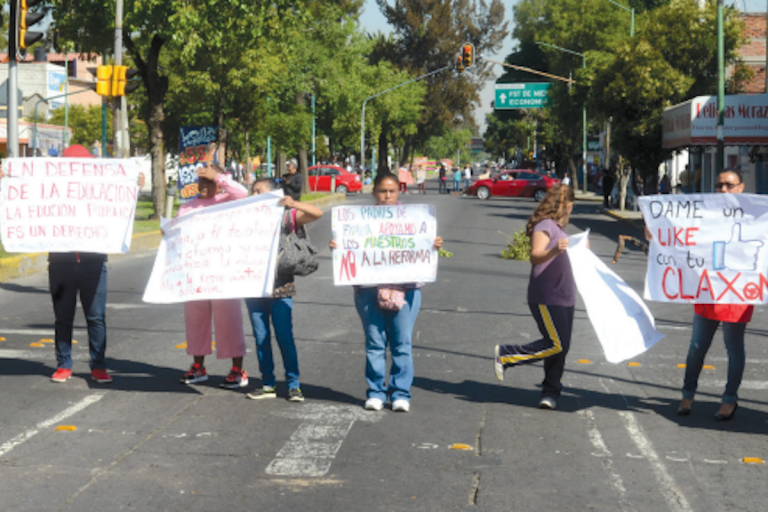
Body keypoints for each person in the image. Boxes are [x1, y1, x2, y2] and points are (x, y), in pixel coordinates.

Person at [10, 167, 146, 384]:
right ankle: (63, 364)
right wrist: (7, 183)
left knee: (96, 317)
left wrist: (133, 186)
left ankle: (98, 365)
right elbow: (25, 202)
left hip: (93, 264)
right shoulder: (53, 194)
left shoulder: (96, 193)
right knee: (63, 317)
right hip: (60, 264)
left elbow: (116, 206)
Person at [329, 172, 443, 412]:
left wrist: (432, 244)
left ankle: (401, 393)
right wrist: (339, 247)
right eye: (383, 191)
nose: (387, 196)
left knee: (402, 343)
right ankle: (376, 392)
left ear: (398, 192)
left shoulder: (415, 220)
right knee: (375, 343)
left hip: (407, 290)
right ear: (374, 193)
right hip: (369, 290)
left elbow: (422, 246)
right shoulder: (358, 221)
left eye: (392, 191)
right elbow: (351, 249)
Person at [651, 169, 752, 421]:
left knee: (733, 347)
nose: (724, 190)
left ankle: (730, 399)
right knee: (697, 346)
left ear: (741, 187)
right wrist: (656, 234)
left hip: (736, 294)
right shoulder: (703, 213)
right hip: (707, 292)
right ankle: (687, 394)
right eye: (719, 185)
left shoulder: (756, 217)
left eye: (729, 185)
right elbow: (680, 238)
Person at [493, 184, 577, 410]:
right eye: (570, 205)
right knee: (557, 344)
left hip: (565, 295)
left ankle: (550, 392)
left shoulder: (560, 228)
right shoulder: (545, 225)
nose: (570, 210)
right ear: (566, 205)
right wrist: (555, 250)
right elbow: (535, 256)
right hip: (547, 295)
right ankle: (507, 355)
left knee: (561, 346)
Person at [245, 178, 322, 402]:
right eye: (253, 191)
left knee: (284, 338)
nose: (255, 194)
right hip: (253, 290)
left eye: (260, 191)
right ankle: (267, 383)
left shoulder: (286, 217)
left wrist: (294, 204)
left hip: (281, 290)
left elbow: (316, 213)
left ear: (273, 194)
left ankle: (293, 385)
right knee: (261, 339)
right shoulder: (245, 220)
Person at [179, 164, 250, 388]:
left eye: (209, 182)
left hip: (223, 273)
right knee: (196, 321)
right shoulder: (187, 207)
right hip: (196, 273)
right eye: (201, 182)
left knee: (228, 321)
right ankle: (198, 366)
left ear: (218, 183)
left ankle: (238, 368)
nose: (204, 187)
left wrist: (218, 177)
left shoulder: (227, 202)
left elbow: (244, 193)